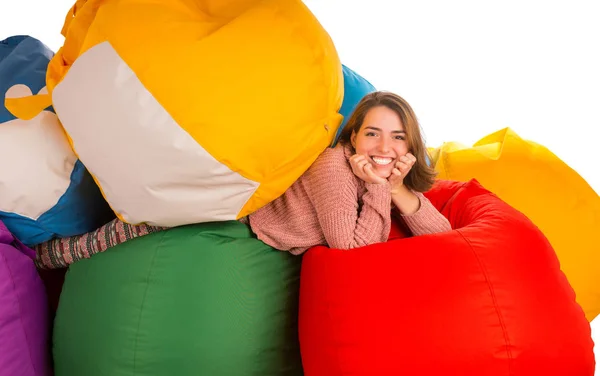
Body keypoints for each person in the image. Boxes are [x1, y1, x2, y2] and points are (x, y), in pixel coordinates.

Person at [34, 91, 451, 268]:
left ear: (410, 143)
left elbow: (442, 232)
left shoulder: (387, 177)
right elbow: (351, 248)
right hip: (243, 207)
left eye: (397, 137)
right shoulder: (335, 166)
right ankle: (54, 254)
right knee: (149, 219)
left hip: (255, 212)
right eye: (373, 133)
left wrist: (396, 189)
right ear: (354, 136)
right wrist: (382, 190)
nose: (385, 147)